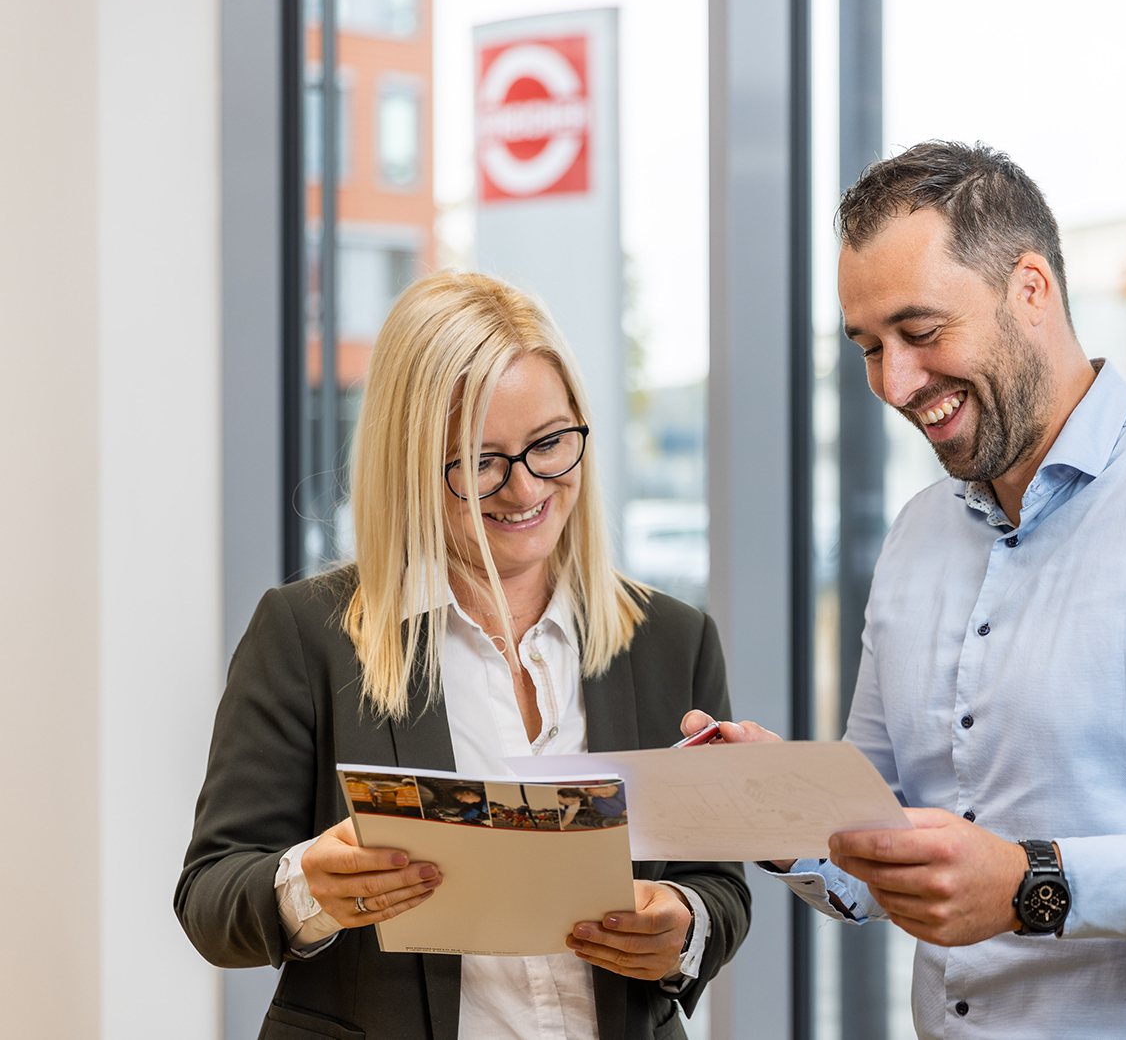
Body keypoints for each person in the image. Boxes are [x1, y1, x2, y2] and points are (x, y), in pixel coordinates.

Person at [683, 141, 1126, 1038]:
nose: (896, 383)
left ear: (1031, 290)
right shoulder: (917, 536)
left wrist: (1033, 884)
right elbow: (883, 848)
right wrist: (780, 802)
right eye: (870, 347)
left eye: (921, 331)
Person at [177, 272, 749, 1040]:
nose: (525, 489)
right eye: (480, 462)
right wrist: (308, 886)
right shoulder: (308, 634)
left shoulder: (669, 638)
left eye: (549, 443)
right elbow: (210, 897)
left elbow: (719, 885)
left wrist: (683, 925)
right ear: (409, 463)